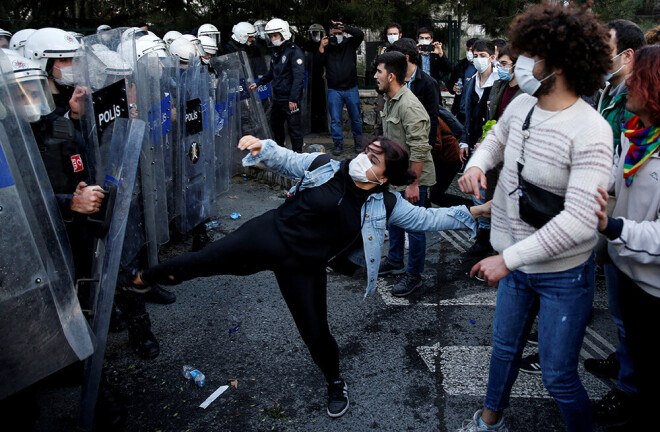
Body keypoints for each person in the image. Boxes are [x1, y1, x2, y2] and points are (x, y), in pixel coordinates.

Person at [127, 134, 490, 418]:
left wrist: (478, 210)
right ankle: (142, 279)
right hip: (267, 236)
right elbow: (285, 158)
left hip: (304, 267)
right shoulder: (324, 166)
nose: (363, 157)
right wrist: (262, 147)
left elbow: (427, 220)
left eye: (374, 159)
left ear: (385, 176)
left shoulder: (385, 204)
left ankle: (335, 382)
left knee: (316, 332)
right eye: (366, 150)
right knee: (203, 261)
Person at [456, 3, 613, 431]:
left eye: (529, 54)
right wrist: (476, 166)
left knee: (559, 375)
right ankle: (489, 422)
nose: (520, 63)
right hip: (517, 267)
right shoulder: (524, 103)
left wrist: (508, 259)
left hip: (563, 274)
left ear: (558, 62)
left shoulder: (592, 130)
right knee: (503, 351)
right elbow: (496, 142)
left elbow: (581, 220)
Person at [594, 44, 660, 432]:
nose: (626, 84)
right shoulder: (638, 137)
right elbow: (617, 187)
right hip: (628, 272)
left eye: (637, 76)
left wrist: (614, 228)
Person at [585, 18, 646, 428]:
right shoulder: (611, 89)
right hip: (612, 209)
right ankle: (625, 360)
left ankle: (630, 387)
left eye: (603, 47)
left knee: (631, 313)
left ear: (627, 55)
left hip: (627, 224)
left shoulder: (634, 100)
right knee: (621, 306)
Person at [373, 51, 436, 297]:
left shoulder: (409, 105)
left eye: (379, 72)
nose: (375, 76)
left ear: (390, 76)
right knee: (395, 219)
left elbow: (420, 148)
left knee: (415, 228)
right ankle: (395, 260)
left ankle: (414, 275)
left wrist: (413, 184)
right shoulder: (391, 99)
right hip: (397, 175)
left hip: (412, 178)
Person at [458, 39, 499, 257]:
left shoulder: (498, 82)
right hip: (473, 142)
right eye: (475, 54)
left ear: (492, 57)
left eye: (483, 55)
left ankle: (489, 237)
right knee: (477, 192)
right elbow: (467, 114)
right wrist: (464, 140)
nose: (478, 59)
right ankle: (482, 236)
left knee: (487, 190)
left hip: (492, 146)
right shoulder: (471, 81)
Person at [248, 18, 305, 153]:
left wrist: (293, 99)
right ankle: (281, 153)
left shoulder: (293, 51)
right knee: (275, 125)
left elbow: (298, 77)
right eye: (271, 36)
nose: (273, 38)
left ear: (283, 34)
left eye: (275, 35)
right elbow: (272, 72)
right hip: (278, 97)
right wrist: (258, 83)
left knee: (294, 129)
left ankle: (298, 156)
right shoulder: (275, 51)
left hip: (290, 99)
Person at [319, 20, 364, 155]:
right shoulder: (327, 47)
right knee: (335, 120)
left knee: (356, 118)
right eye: (335, 33)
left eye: (340, 33)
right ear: (329, 34)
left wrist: (345, 26)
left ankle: (359, 143)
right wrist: (321, 48)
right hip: (334, 89)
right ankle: (337, 144)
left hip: (351, 87)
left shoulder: (350, 43)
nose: (337, 35)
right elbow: (317, 65)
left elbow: (360, 34)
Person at [23, 27, 81, 116]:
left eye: (75, 59)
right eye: (64, 60)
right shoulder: (33, 99)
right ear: (44, 63)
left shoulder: (78, 91)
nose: (72, 65)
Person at [302, 24, 328, 133]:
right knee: (311, 103)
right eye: (313, 33)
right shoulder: (307, 46)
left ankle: (322, 126)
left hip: (322, 80)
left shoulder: (326, 46)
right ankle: (311, 126)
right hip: (310, 79)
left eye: (317, 32)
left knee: (322, 103)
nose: (315, 35)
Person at [446, 38, 478, 123]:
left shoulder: (482, 67)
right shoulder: (461, 65)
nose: (469, 52)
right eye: (468, 49)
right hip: (460, 110)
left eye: (472, 50)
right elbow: (450, 83)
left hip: (475, 112)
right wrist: (453, 88)